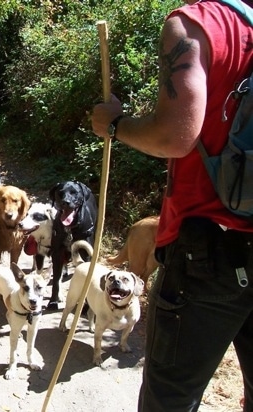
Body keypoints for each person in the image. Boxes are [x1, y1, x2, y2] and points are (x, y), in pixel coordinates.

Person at [91, 0, 253, 411]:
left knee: (170, 400)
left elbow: (174, 136)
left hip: (210, 251)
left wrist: (113, 123)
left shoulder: (200, 23)